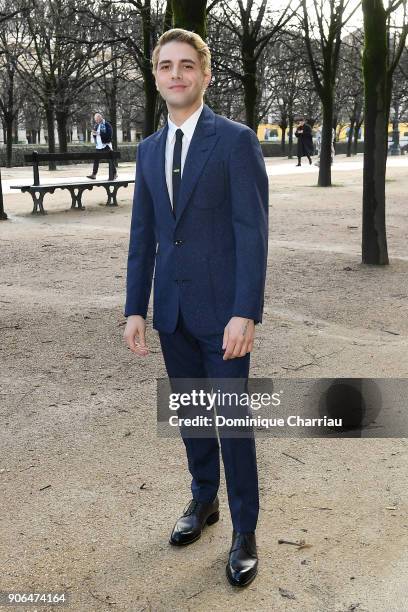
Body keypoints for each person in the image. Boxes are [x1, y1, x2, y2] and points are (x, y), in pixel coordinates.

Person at [123, 28, 268, 588]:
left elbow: (251, 232)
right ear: (156, 76)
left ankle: (244, 531)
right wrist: (136, 307)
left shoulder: (234, 141)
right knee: (191, 417)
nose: (177, 74)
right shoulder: (149, 149)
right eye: (166, 66)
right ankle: (204, 501)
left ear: (206, 75)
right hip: (173, 313)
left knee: (231, 422)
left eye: (188, 65)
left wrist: (245, 310)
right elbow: (144, 235)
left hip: (224, 317)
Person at [86, 113, 117, 180]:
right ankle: (94, 174)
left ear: (100, 118)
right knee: (96, 160)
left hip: (105, 145)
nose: (96, 121)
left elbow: (109, 134)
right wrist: (94, 133)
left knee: (110, 160)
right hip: (99, 146)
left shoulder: (106, 124)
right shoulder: (96, 125)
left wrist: (98, 133)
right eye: (95, 120)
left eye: (97, 119)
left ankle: (114, 174)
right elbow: (96, 135)